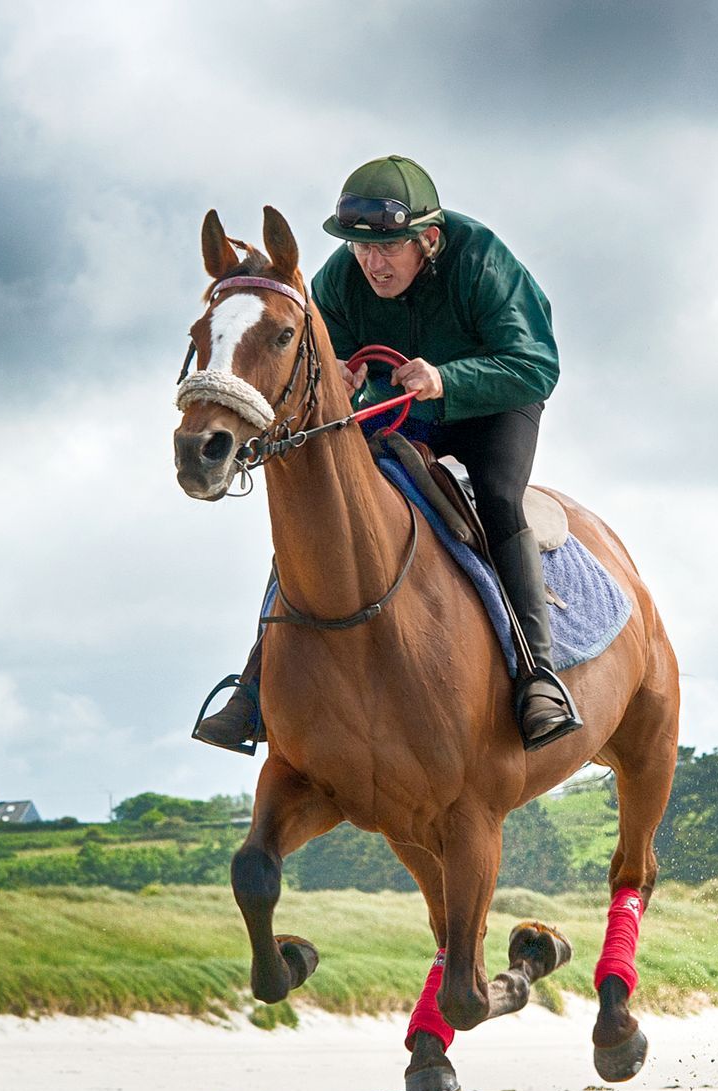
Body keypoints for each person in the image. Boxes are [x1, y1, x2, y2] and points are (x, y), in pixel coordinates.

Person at [193, 155, 582, 754]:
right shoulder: (340, 279)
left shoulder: (481, 259)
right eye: (360, 250)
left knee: (500, 499)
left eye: (388, 250)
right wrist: (341, 376)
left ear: (427, 239)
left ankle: (538, 676)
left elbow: (535, 365)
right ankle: (253, 688)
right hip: (403, 412)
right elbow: (322, 354)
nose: (372, 265)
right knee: (333, 515)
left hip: (496, 404)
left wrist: (449, 378)